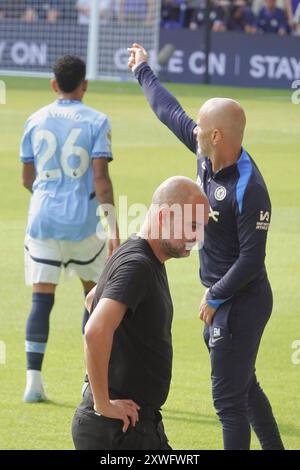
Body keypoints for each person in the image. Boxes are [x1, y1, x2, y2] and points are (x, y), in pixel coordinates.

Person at [127, 44, 285, 450]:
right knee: (245, 388)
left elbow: (252, 258)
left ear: (216, 135)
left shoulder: (249, 189)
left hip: (242, 301)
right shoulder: (206, 156)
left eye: (200, 126)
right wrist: (143, 70)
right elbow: (169, 112)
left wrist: (215, 295)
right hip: (226, 299)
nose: (192, 129)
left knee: (228, 403)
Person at [72, 176, 209, 450]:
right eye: (193, 225)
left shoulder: (140, 255)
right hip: (118, 430)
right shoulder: (138, 265)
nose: (198, 237)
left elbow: (92, 299)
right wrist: (101, 402)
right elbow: (96, 330)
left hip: (136, 425)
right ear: (163, 216)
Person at [20, 55, 120, 403]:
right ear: (85, 84)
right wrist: (114, 225)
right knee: (94, 296)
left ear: (53, 84)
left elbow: (26, 179)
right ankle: (87, 383)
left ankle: (33, 381)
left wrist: (51, 198)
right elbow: (101, 181)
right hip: (84, 224)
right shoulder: (97, 121)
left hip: (43, 220)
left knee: (41, 298)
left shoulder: (34, 119)